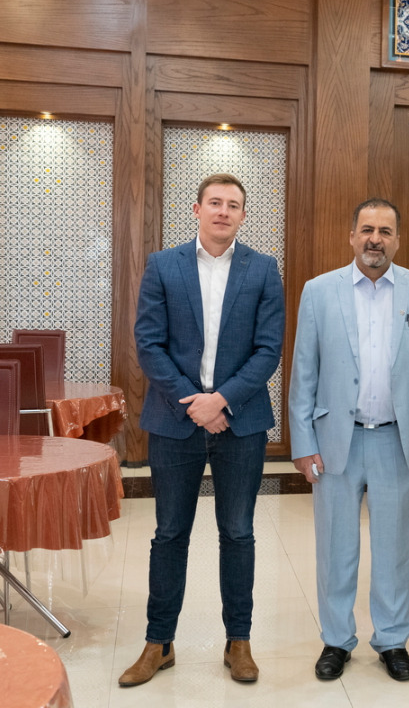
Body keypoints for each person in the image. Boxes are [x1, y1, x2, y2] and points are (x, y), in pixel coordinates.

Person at [120, 173, 284, 686]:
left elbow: (269, 348)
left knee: (238, 532)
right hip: (175, 420)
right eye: (215, 202)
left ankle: (239, 642)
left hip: (241, 420)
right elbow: (149, 343)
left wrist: (222, 400)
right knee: (170, 533)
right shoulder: (163, 265)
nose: (223, 211)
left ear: (242, 215)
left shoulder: (263, 269)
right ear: (196, 209)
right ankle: (159, 642)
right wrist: (193, 404)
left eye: (233, 205)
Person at [288, 198, 409, 682]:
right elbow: (303, 371)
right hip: (335, 439)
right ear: (352, 236)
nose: (374, 239)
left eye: (384, 231)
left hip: (398, 441)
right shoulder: (319, 291)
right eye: (366, 229)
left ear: (398, 240)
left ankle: (392, 639)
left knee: (395, 548)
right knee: (335, 548)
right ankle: (336, 640)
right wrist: (302, 441)